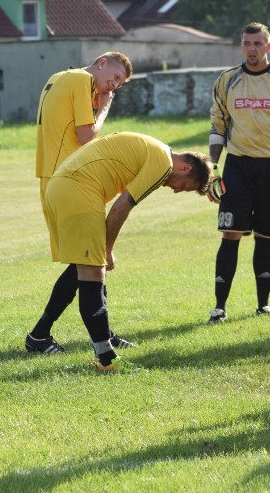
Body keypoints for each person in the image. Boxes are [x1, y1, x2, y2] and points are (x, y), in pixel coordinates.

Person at [41, 131, 211, 370]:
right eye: (182, 187)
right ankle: (106, 359)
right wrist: (107, 249)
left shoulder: (156, 149)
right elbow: (121, 207)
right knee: (93, 272)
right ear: (184, 168)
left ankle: (40, 335)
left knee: (84, 265)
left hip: (62, 185)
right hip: (78, 189)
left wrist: (104, 249)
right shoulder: (162, 164)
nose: (174, 190)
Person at [26, 52, 134, 353]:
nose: (112, 87)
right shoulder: (83, 80)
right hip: (72, 179)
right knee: (87, 261)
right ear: (101, 62)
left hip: (53, 177)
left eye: (117, 86)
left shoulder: (58, 77)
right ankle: (39, 336)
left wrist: (98, 100)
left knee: (86, 260)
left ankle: (98, 332)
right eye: (113, 79)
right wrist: (104, 110)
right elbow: (86, 136)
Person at [206, 22, 270, 323]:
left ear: (268, 47)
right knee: (230, 234)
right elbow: (217, 126)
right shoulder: (227, 80)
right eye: (247, 43)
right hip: (237, 166)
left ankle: (263, 304)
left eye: (258, 43)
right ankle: (219, 307)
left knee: (266, 236)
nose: (252, 49)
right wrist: (213, 169)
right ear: (241, 46)